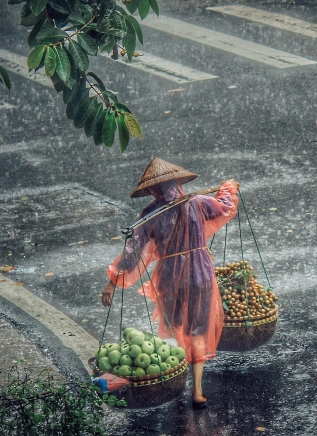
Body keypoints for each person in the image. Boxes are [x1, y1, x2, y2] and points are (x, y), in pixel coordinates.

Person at [101, 158, 239, 409]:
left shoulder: (150, 215)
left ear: (154, 190)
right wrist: (229, 187)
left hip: (171, 277)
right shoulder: (197, 204)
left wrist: (113, 281)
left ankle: (177, 380)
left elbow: (133, 252)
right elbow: (224, 206)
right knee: (197, 329)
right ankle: (197, 390)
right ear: (177, 183)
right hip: (200, 274)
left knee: (175, 327)